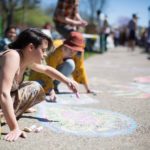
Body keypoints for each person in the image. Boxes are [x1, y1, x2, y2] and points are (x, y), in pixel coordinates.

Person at [0, 28, 78, 142]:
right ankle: (7, 114)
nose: (45, 54)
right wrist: (14, 128)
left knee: (34, 87)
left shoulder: (25, 59)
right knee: (32, 87)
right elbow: (3, 93)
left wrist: (67, 81)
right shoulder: (12, 56)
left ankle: (8, 113)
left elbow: (46, 69)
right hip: (2, 98)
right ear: (31, 47)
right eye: (43, 50)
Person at [29, 31, 93, 102]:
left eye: (76, 50)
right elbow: (46, 71)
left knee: (70, 64)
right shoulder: (54, 49)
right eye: (71, 50)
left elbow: (80, 68)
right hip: (39, 74)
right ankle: (48, 88)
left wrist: (87, 88)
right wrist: (50, 90)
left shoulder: (78, 52)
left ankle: (54, 86)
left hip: (51, 74)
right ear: (66, 46)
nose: (73, 52)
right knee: (34, 87)